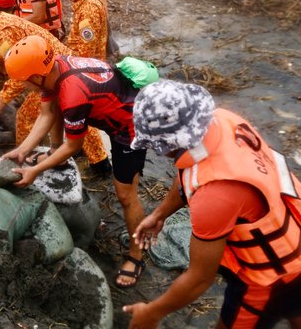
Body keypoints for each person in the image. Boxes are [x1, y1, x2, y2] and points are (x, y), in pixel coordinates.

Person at [123, 79, 301, 328]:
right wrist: (161, 213)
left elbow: (199, 278)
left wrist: (152, 312)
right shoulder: (222, 119)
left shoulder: (215, 197)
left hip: (273, 275)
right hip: (293, 229)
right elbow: (192, 170)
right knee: (295, 307)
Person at [1, 34, 147, 288]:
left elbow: (74, 145)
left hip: (130, 127)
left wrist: (35, 170)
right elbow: (47, 112)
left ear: (36, 77)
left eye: (24, 83)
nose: (24, 87)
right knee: (56, 109)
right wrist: (23, 150)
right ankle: (51, 155)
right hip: (115, 105)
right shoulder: (54, 67)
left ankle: (137, 255)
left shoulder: (73, 92)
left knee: (126, 195)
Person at [0, 0, 108, 173]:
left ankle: (23, 159)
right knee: (70, 113)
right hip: (53, 70)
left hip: (54, 73)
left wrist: (3, 97)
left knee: (30, 116)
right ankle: (76, 157)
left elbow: (21, 72)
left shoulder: (5, 32)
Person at [47, 0, 114, 170]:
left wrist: (66, 71)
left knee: (80, 110)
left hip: (84, 68)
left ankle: (99, 161)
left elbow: (84, 53)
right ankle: (90, 154)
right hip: (92, 60)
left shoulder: (88, 13)